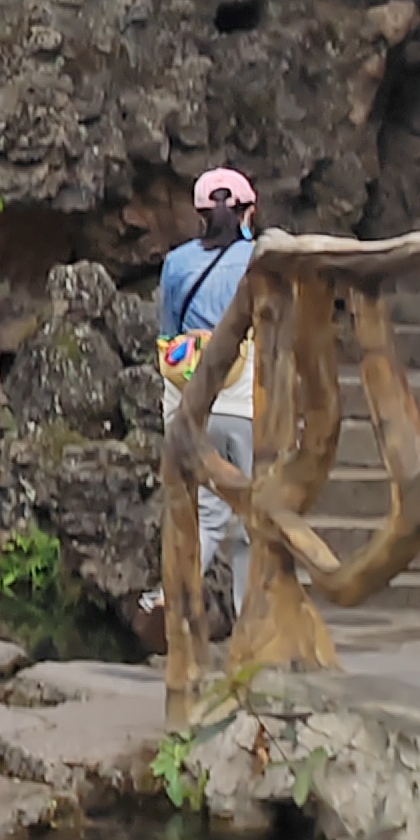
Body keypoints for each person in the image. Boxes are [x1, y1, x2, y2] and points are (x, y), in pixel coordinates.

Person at [159, 164, 260, 625]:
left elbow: (168, 331)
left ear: (200, 216)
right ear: (248, 212)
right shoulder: (260, 258)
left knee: (195, 509)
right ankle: (250, 613)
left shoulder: (177, 263)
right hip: (242, 398)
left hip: (187, 400)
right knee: (251, 506)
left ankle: (172, 599)